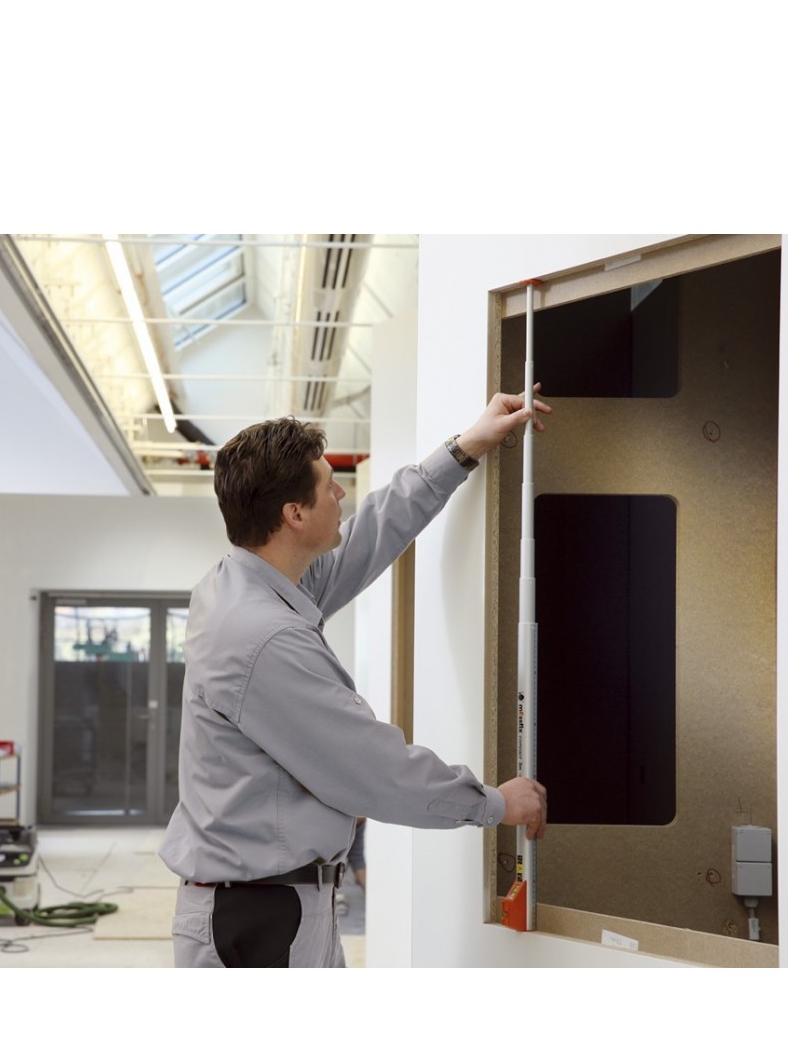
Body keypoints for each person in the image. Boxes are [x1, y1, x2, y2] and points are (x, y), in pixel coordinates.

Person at [159, 389, 551, 967]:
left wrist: (463, 449)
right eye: (328, 485)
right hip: (260, 919)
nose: (341, 493)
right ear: (294, 514)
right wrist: (493, 803)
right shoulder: (264, 638)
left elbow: (371, 533)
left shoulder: (243, 584)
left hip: (269, 902)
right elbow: (373, 770)